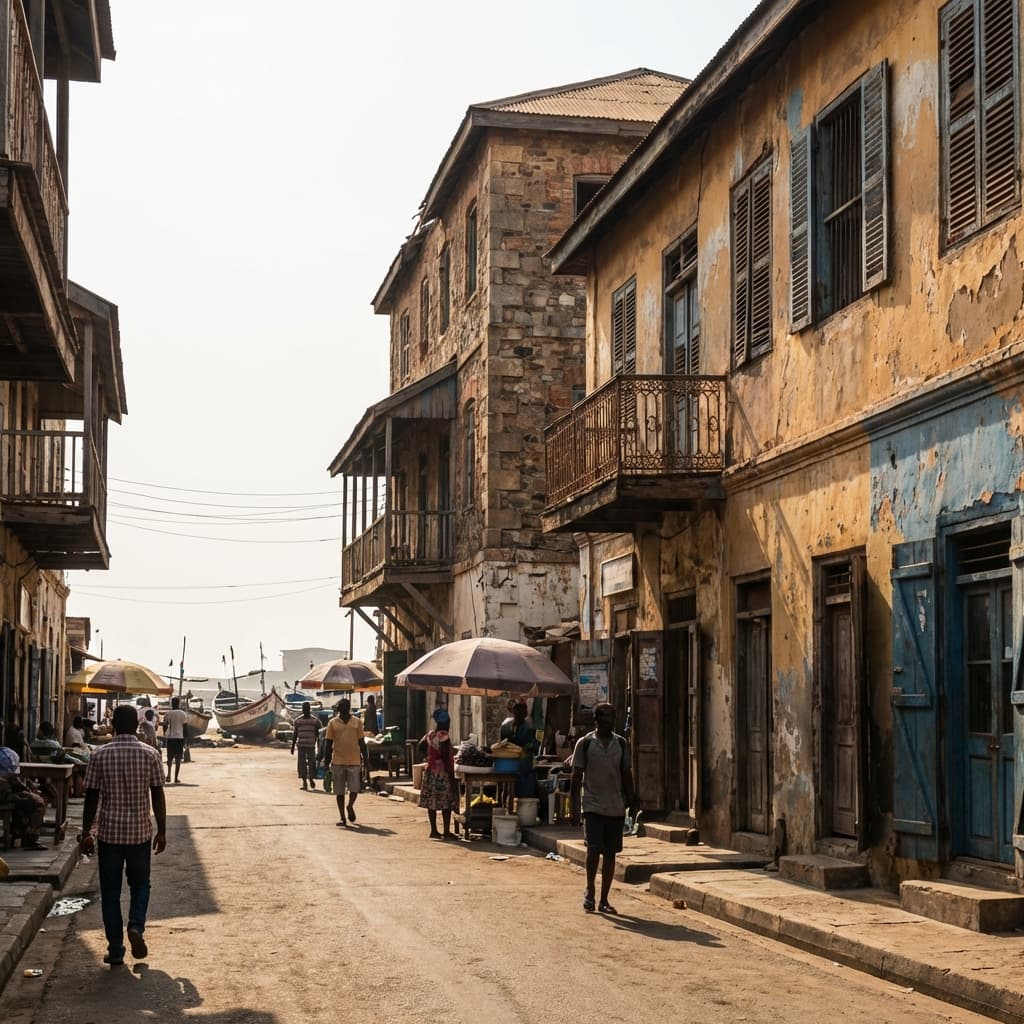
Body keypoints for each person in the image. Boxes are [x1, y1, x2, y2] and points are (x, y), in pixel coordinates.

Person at [80, 705, 166, 967]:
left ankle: (116, 949)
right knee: (141, 885)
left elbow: (91, 797)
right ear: (137, 725)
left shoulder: (100, 754)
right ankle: (136, 926)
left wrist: (86, 832)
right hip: (139, 833)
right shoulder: (150, 754)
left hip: (109, 834)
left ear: (114, 725)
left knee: (110, 892)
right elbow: (158, 794)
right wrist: (161, 830)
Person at [570, 702, 637, 916]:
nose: (610, 722)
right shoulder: (585, 743)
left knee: (610, 853)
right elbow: (576, 776)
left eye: (613, 718)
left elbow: (627, 774)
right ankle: (590, 890)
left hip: (615, 806)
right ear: (597, 720)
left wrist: (633, 802)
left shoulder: (622, 744)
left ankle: (604, 899)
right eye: (606, 718)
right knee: (593, 849)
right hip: (592, 804)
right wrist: (573, 807)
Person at [323, 699, 369, 827]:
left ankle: (350, 806)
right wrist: (326, 762)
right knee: (339, 792)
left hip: (354, 760)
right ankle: (342, 817)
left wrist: (366, 759)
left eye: (344, 708)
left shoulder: (357, 722)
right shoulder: (332, 723)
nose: (342, 710)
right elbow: (328, 743)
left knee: (354, 789)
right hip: (338, 761)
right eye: (340, 708)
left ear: (348, 708)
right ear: (338, 709)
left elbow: (361, 742)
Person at [417, 708, 458, 839]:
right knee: (446, 801)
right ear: (446, 723)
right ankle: (446, 831)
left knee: (432, 801)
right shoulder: (444, 736)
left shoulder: (430, 735)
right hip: (442, 772)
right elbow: (447, 758)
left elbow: (420, 747)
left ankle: (434, 830)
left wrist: (429, 756)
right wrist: (451, 776)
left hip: (430, 771)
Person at [0, 746, 46, 850]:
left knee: (27, 801)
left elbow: (17, 784)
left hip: (7, 796)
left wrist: (26, 791)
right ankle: (31, 837)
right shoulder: (5, 775)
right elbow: (7, 793)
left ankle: (17, 832)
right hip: (5, 797)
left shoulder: (7, 773)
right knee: (37, 803)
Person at [500, 699, 539, 798]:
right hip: (514, 764)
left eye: (520, 713)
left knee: (518, 791)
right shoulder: (508, 726)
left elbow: (533, 747)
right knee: (512, 789)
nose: (518, 715)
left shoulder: (527, 728)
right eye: (517, 713)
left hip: (519, 765)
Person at [290, 702, 321, 790]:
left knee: (312, 764)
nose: (306, 710)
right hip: (301, 746)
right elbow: (295, 734)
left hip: (311, 746)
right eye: (304, 709)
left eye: (307, 708)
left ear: (309, 709)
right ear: (303, 710)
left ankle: (311, 778)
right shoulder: (298, 721)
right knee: (302, 765)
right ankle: (304, 782)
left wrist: (318, 745)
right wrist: (292, 746)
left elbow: (318, 734)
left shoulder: (315, 721)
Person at [162, 697, 187, 783]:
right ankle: (176, 778)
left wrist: (165, 733)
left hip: (170, 738)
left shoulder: (168, 713)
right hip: (180, 737)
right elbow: (185, 727)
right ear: (179, 703)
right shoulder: (182, 714)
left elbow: (165, 725)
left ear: (171, 704)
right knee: (178, 758)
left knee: (169, 758)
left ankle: (168, 775)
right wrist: (186, 739)